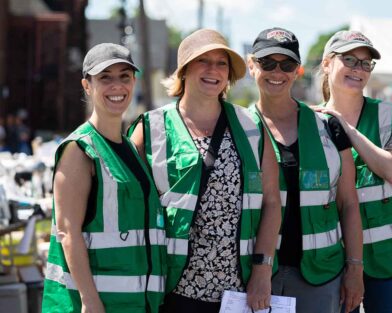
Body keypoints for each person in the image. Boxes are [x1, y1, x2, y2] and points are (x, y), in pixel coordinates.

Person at [129, 28, 281, 313]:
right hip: (170, 287)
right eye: (203, 61)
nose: (213, 70)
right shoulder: (149, 128)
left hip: (238, 291)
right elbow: (131, 206)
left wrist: (262, 271)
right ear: (184, 70)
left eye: (221, 63)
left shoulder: (253, 127)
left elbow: (272, 202)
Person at [42, 43, 167, 313]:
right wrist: (90, 300)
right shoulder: (79, 149)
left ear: (134, 82)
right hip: (95, 305)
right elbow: (67, 232)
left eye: (124, 77)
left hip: (136, 303)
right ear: (87, 86)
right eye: (105, 78)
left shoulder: (132, 150)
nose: (117, 86)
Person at [247, 27, 363, 313]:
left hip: (320, 276)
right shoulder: (237, 128)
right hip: (252, 273)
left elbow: (348, 203)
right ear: (251, 65)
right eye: (267, 63)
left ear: (297, 70)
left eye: (286, 64)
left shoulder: (329, 127)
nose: (277, 72)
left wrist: (355, 269)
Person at [317, 30, 392, 313]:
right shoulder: (310, 121)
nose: (358, 69)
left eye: (365, 63)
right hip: (332, 257)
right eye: (349, 59)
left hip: (391, 258)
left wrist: (344, 128)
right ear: (327, 63)